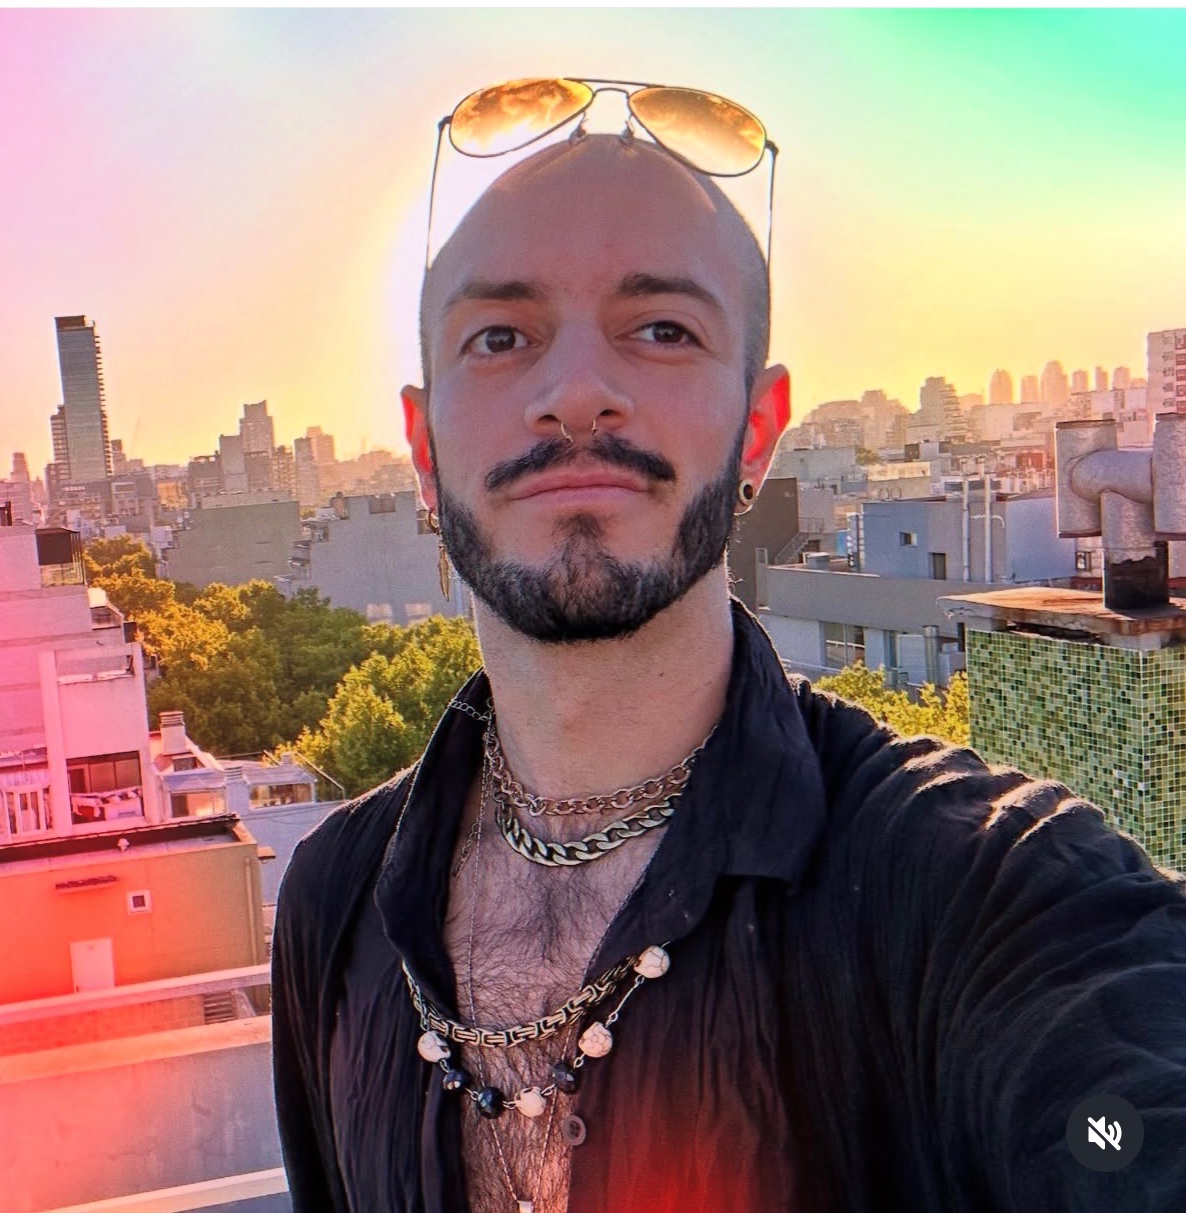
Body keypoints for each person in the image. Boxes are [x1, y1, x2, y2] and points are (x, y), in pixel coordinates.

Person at [272, 80, 1186, 1213]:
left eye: (662, 330)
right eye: (499, 337)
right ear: (423, 446)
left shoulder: (978, 892)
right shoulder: (335, 905)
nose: (576, 394)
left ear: (758, 430)